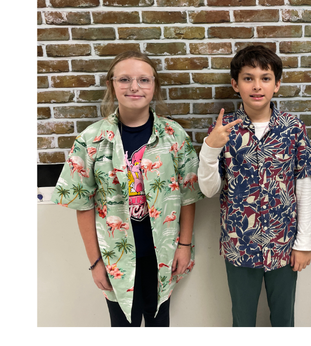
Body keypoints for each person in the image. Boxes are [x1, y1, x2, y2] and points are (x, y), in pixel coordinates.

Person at [51, 51, 202, 326]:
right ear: (112, 85)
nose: (134, 87)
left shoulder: (174, 136)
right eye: (125, 79)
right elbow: (83, 204)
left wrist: (184, 244)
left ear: (154, 85)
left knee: (159, 324)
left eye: (143, 79)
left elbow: (188, 195)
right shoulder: (91, 141)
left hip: (163, 255)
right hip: (116, 259)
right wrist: (96, 262)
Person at [197, 45, 311, 327]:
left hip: (284, 244)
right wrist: (210, 149)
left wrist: (304, 243)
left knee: (284, 320)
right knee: (242, 321)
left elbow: (303, 187)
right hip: (240, 243)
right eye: (248, 78)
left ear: (277, 85)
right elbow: (209, 190)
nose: (257, 86)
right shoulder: (223, 129)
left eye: (265, 78)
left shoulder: (292, 127)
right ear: (235, 84)